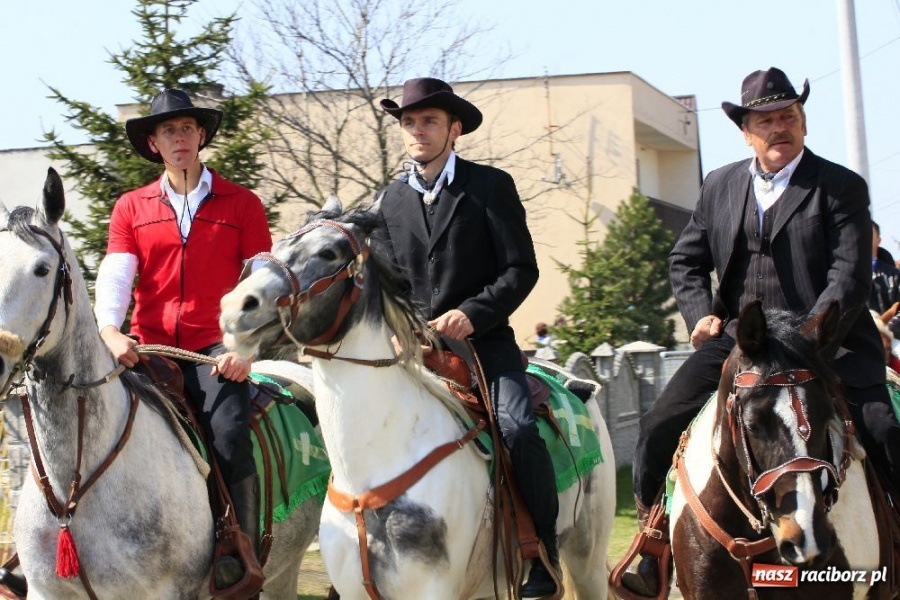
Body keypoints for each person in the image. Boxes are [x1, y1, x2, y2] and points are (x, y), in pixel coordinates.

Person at [621, 67, 900, 597]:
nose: (779, 128)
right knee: (659, 423)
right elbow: (686, 259)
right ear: (746, 131)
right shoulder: (719, 184)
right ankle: (652, 541)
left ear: (803, 122)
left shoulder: (841, 187)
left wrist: (812, 333)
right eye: (766, 120)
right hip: (739, 343)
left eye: (788, 116)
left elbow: (848, 277)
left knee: (885, 429)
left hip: (827, 342)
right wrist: (700, 311)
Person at [376, 77, 559, 597]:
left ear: (454, 129)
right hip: (412, 350)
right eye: (409, 122)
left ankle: (541, 552)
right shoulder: (388, 200)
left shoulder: (490, 186)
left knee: (518, 429)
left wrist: (473, 313)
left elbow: (521, 269)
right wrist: (401, 329)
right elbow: (387, 283)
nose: (417, 130)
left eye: (429, 121)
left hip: (484, 345)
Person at [94, 88, 273, 592]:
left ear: (201, 136)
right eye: (168, 130)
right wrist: (109, 329)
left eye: (187, 128)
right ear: (153, 143)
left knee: (230, 436)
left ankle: (241, 553)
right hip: (145, 350)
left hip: (214, 352)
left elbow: (261, 283)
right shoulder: (131, 208)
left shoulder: (243, 204)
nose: (179, 138)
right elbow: (116, 276)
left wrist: (245, 349)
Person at [870, 221, 900, 336]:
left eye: (869, 233)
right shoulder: (843, 276)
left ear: (879, 240)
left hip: (892, 338)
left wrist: (887, 329)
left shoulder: (895, 276)